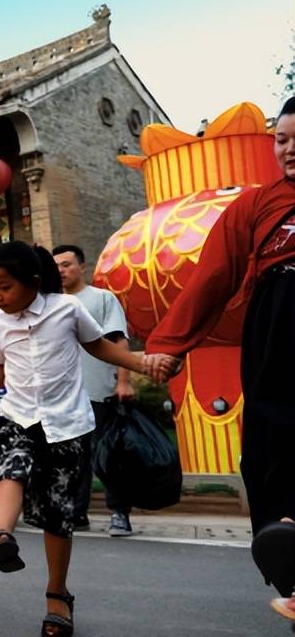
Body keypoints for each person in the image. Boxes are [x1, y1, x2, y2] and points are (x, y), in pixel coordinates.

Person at [0, 242, 174, 637]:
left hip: (67, 425)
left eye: (5, 287)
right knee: (11, 467)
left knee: (57, 514)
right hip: (19, 416)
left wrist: (143, 364)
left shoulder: (67, 309)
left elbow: (99, 346)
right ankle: (2, 536)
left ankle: (57, 594)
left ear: (33, 282)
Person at [144, 96, 295, 622]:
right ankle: (289, 558)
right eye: (282, 140)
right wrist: (168, 344)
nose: (289, 150)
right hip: (276, 325)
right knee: (269, 446)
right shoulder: (255, 206)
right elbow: (212, 276)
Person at [52, 243, 137, 536]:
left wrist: (124, 381)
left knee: (108, 454)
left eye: (66, 264)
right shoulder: (52, 304)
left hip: (100, 391)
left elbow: (119, 341)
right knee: (75, 457)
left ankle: (119, 513)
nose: (61, 271)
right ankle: (77, 514)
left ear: (82, 266)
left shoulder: (102, 298)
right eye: (56, 266)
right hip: (66, 397)